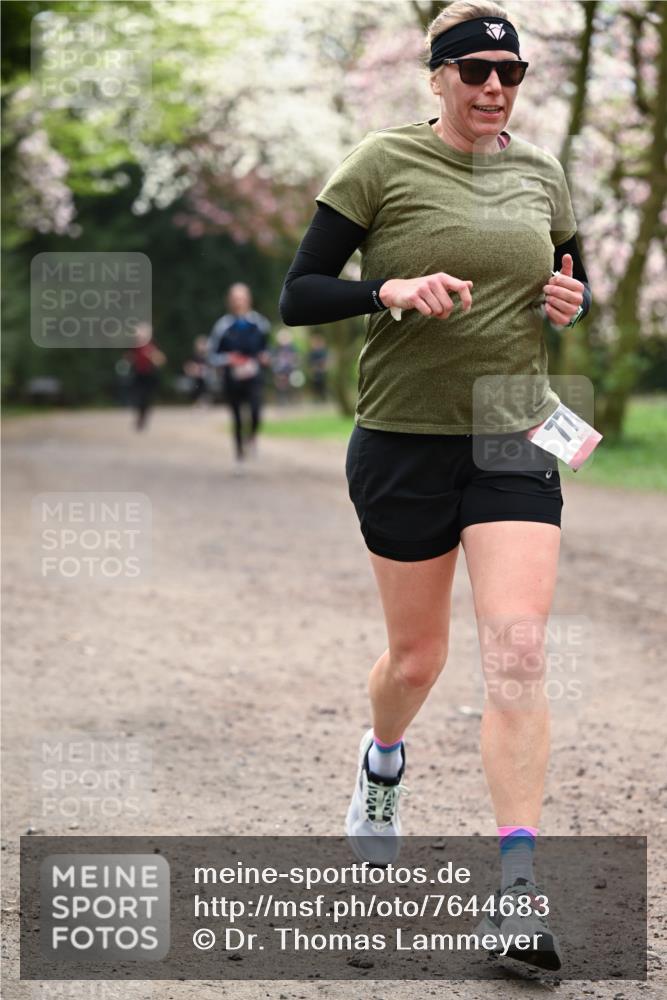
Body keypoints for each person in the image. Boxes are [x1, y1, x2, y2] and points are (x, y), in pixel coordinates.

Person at [279, 0, 593, 972]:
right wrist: (389, 290)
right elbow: (299, 293)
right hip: (403, 438)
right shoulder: (380, 164)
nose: (495, 88)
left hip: (511, 427)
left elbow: (566, 282)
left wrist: (568, 300)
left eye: (511, 73)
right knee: (416, 661)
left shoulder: (542, 174)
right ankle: (382, 766)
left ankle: (515, 891)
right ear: (438, 77)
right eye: (475, 72)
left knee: (518, 647)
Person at [207, 283, 271, 465]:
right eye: (235, 299)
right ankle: (239, 455)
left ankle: (252, 438)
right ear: (230, 301)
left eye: (242, 298)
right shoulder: (223, 326)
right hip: (232, 378)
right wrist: (228, 359)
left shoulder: (260, 323)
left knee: (256, 411)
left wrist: (264, 358)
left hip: (254, 376)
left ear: (248, 299)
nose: (239, 302)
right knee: (236, 416)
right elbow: (212, 356)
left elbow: (267, 350)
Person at [125, 322, 166, 431]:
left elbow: (161, 360)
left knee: (146, 399)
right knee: (137, 397)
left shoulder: (153, 345)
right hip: (138, 374)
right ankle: (139, 417)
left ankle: (142, 418)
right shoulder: (134, 346)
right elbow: (129, 357)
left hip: (149, 375)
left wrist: (153, 356)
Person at [307, 333, 329, 402]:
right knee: (315, 385)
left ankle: (323, 397)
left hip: (322, 371)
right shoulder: (312, 352)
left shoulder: (323, 351)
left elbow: (326, 361)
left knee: (323, 385)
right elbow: (310, 362)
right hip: (315, 371)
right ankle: (317, 398)